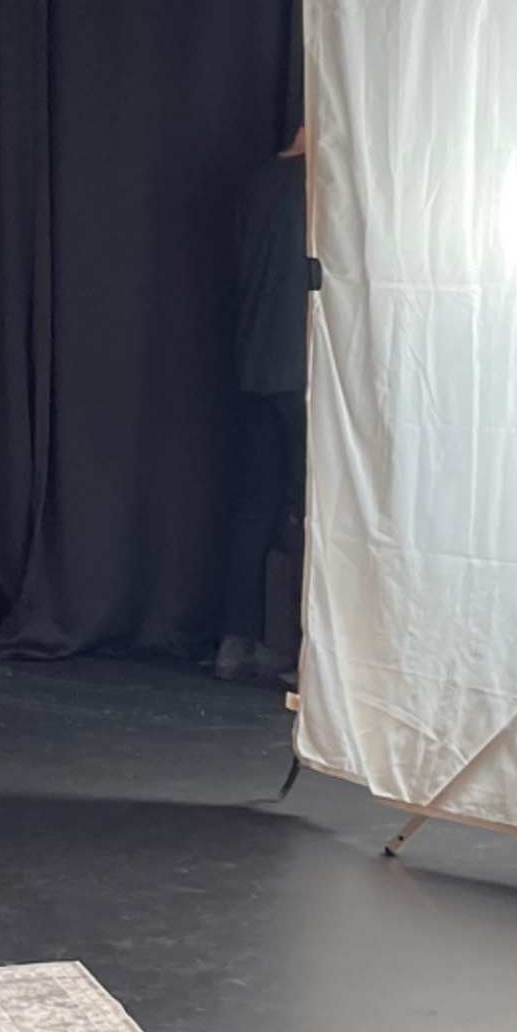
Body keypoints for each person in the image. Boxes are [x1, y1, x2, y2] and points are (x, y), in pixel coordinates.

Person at [215, 124, 309, 680]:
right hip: (303, 369)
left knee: (253, 506)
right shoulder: (320, 189)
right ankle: (306, 653)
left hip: (253, 365)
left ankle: (236, 640)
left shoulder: (254, 185)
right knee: (310, 509)